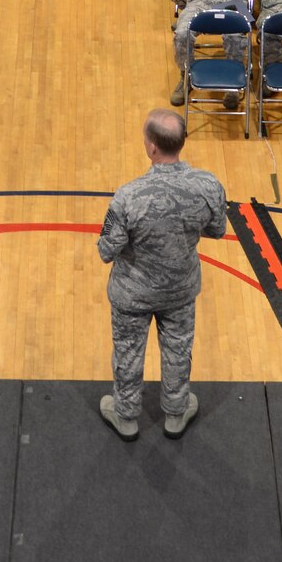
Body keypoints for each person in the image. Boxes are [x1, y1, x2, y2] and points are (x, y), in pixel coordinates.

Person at [95, 108, 228, 441]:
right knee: (178, 350)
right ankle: (176, 413)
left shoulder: (127, 197)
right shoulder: (209, 186)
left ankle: (125, 416)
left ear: (152, 147)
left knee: (128, 352)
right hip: (180, 290)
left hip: (132, 293)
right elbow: (217, 229)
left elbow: (106, 249)